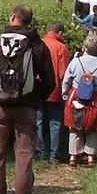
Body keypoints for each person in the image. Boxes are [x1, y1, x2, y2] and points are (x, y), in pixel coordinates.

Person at [0, 4, 55, 194]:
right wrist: (36, 96)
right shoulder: (36, 45)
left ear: (12, 16)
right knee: (24, 159)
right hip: (26, 106)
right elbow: (50, 82)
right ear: (29, 21)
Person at [61, 33, 97, 168]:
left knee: (75, 125)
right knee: (94, 127)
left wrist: (65, 96)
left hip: (76, 95)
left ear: (84, 47)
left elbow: (66, 81)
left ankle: (73, 156)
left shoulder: (75, 62)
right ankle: (91, 157)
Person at [37, 20, 70, 163]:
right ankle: (55, 154)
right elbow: (64, 73)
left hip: (38, 87)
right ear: (60, 32)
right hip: (55, 90)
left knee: (38, 121)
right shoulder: (61, 48)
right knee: (55, 122)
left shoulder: (39, 44)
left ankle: (39, 152)